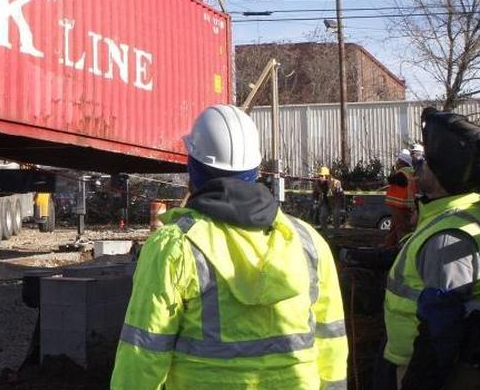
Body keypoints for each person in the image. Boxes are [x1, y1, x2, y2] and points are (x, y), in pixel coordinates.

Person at [111, 104, 347, 390]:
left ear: (193, 168)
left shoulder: (175, 246)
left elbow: (142, 355)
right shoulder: (307, 241)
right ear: (257, 169)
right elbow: (331, 341)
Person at [382, 108, 480, 390]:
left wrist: (416, 383)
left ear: (441, 176)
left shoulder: (449, 236)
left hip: (419, 366)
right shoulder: (446, 216)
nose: (418, 168)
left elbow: (442, 329)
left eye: (425, 163)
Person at [385, 149, 417, 247]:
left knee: (401, 229)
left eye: (398, 160)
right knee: (394, 228)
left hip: (399, 205)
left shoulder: (403, 172)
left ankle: (403, 248)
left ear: (402, 162)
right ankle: (389, 246)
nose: (397, 162)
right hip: (406, 204)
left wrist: (391, 177)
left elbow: (394, 180)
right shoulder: (412, 172)